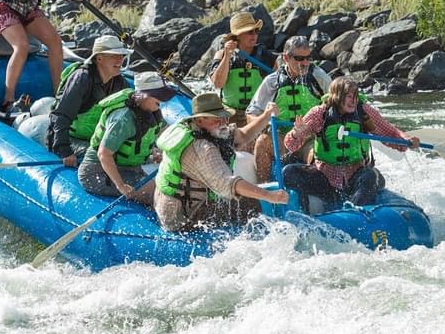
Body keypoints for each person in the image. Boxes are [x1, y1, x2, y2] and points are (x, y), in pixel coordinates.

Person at [154, 93, 289, 232]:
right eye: (217, 119)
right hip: (180, 214)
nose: (223, 122)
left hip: (193, 200)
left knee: (251, 204)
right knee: (254, 206)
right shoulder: (202, 149)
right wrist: (269, 196)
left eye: (224, 117)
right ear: (199, 120)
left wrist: (266, 115)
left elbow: (242, 135)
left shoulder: (212, 130)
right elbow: (229, 183)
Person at [282, 77, 420, 210]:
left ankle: (353, 213)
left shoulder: (363, 111)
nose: (354, 100)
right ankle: (305, 213)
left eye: (355, 96)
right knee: (289, 172)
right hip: (325, 176)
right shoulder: (320, 114)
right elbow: (290, 145)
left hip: (355, 175)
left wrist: (406, 139)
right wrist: (296, 133)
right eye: (349, 96)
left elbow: (389, 132)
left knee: (370, 175)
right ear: (337, 96)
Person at [78, 72, 177, 206]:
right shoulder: (123, 118)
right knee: (160, 190)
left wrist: (154, 152)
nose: (163, 100)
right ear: (143, 95)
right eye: (159, 95)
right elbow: (104, 154)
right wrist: (120, 185)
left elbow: (168, 133)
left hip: (129, 169)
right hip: (97, 172)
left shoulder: (151, 111)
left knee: (173, 185)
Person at [245, 36, 331, 183]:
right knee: (262, 142)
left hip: (310, 139)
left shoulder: (318, 76)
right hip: (281, 139)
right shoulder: (272, 82)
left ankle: (319, 193)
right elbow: (251, 114)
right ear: (286, 57)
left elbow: (335, 104)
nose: (305, 63)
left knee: (319, 154)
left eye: (308, 58)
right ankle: (265, 191)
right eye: (299, 58)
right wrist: (265, 117)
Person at [48, 35, 130, 168]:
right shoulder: (82, 79)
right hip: (70, 138)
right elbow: (61, 116)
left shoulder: (120, 83)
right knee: (104, 160)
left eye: (121, 56)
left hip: (94, 139)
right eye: (115, 56)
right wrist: (65, 151)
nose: (120, 60)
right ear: (99, 58)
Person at [208, 11, 276, 128]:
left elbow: (276, 87)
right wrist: (227, 56)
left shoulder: (265, 56)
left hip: (255, 114)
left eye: (256, 31)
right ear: (237, 36)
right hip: (230, 113)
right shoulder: (221, 55)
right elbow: (218, 83)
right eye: (249, 32)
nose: (254, 35)